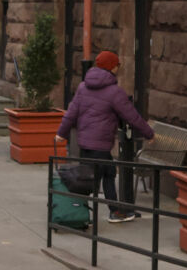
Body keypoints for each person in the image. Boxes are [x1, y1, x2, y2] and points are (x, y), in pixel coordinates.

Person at [57, 50, 155, 223]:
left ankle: (102, 211)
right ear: (112, 67)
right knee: (93, 179)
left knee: (103, 174)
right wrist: (149, 133)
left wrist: (61, 133)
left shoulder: (83, 86)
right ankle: (87, 213)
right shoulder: (114, 92)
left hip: (85, 143)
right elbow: (132, 116)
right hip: (100, 144)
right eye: (117, 65)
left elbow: (71, 113)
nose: (118, 68)